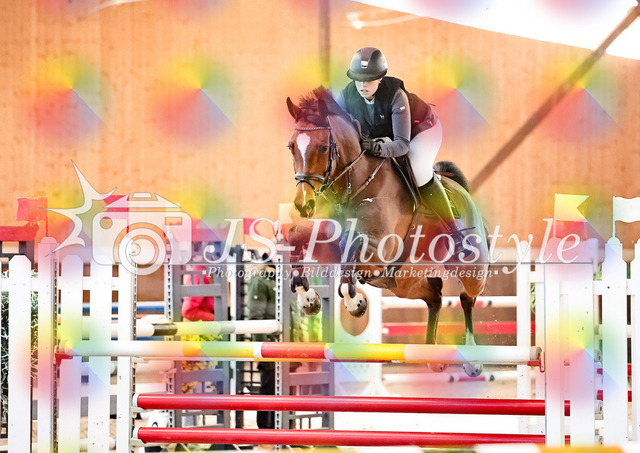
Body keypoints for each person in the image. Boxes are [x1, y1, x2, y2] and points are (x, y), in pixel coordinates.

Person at [336, 47, 468, 256]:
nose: (363, 85)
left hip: (421, 130)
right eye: (358, 79)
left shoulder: (396, 95)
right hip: (384, 136)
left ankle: (455, 230)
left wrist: (377, 147)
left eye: (369, 80)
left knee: (418, 168)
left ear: (380, 78)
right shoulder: (346, 96)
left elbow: (402, 146)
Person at [246, 256, 277, 429]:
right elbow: (255, 317)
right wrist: (262, 351)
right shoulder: (260, 281)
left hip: (288, 345)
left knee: (288, 392)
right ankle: (265, 433)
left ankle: (288, 432)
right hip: (270, 347)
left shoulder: (286, 278)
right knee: (268, 390)